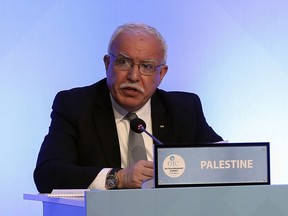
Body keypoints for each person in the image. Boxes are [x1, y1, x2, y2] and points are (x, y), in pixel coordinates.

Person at [34, 23, 223, 193]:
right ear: (108, 64)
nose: (133, 76)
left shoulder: (184, 109)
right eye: (124, 62)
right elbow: (47, 174)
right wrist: (119, 178)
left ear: (161, 74)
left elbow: (221, 161)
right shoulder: (76, 106)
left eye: (147, 66)